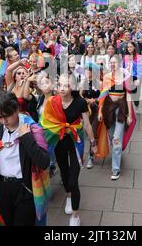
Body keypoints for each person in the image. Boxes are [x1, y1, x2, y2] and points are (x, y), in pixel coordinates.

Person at [0, 92, 50, 226]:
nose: (3, 122)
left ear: (16, 109)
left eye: (6, 116)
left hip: (24, 188)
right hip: (3, 187)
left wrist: (27, 138)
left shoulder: (32, 128)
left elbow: (44, 162)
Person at [40, 74, 95, 226]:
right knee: (64, 173)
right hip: (59, 141)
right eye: (60, 85)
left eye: (66, 85)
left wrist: (93, 141)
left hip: (75, 141)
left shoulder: (80, 102)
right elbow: (45, 122)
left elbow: (87, 124)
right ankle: (69, 196)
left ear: (73, 87)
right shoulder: (52, 101)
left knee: (73, 179)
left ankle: (75, 216)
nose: (62, 88)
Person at [97, 56, 136, 181]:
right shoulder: (107, 77)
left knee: (117, 139)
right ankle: (116, 149)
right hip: (108, 109)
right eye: (111, 62)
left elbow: (129, 95)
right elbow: (103, 95)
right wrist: (99, 111)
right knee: (112, 135)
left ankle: (115, 169)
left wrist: (129, 114)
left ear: (120, 63)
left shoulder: (126, 76)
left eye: (115, 62)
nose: (113, 64)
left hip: (121, 108)